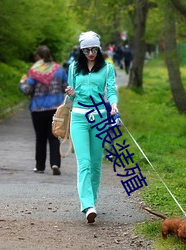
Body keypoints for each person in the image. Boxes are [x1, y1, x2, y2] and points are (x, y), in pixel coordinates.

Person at [65, 31, 118, 223]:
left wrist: (113, 104)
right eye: (86, 50)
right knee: (84, 162)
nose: (90, 53)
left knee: (96, 163)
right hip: (79, 117)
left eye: (94, 49)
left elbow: (111, 90)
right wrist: (70, 92)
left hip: (100, 118)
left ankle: (92, 201)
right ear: (81, 50)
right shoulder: (73, 68)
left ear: (99, 48)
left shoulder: (107, 68)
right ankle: (87, 205)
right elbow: (71, 97)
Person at [19, 45, 68, 175]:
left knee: (40, 138)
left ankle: (40, 166)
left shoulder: (34, 71)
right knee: (54, 137)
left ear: (38, 57)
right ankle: (55, 163)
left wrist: (22, 83)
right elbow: (66, 87)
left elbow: (27, 90)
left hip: (38, 109)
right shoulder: (59, 70)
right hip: (55, 109)